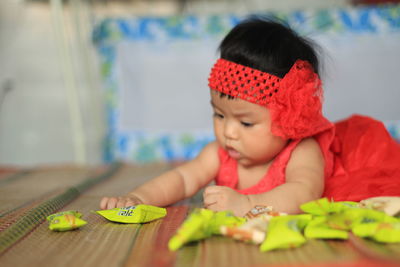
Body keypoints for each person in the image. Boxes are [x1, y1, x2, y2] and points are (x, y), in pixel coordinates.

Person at [100, 17, 400, 216]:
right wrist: (138, 198)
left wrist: (248, 204)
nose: (228, 132)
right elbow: (181, 179)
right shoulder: (220, 153)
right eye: (219, 115)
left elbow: (303, 193)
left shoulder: (301, 151)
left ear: (288, 119)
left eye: (245, 122)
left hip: (344, 180)